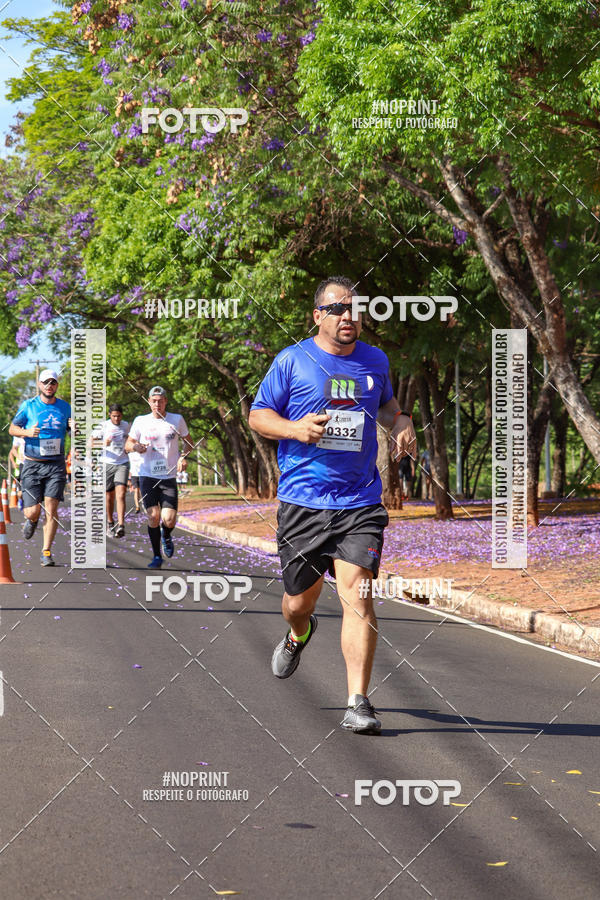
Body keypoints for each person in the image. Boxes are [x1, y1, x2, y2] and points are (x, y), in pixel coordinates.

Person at [249, 275, 416, 734]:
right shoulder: (292, 361)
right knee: (297, 602)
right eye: (339, 309)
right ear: (318, 315)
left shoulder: (375, 360)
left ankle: (358, 701)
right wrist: (294, 429)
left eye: (356, 309)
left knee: (359, 597)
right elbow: (258, 415)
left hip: (359, 500)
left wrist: (400, 420)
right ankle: (299, 633)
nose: (350, 317)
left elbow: (385, 405)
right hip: (303, 501)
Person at [8, 369, 72, 566]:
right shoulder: (29, 406)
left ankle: (46, 551)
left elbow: (71, 430)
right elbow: (12, 428)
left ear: (57, 386)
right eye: (46, 382)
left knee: (52, 509)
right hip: (33, 465)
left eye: (53, 382)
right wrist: (27, 432)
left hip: (56, 465)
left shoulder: (65, 407)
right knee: (32, 511)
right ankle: (32, 520)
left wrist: (75, 428)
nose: (49, 386)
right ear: (39, 384)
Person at [125, 386, 194, 568]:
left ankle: (167, 535)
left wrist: (183, 457)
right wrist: (136, 447)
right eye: (154, 401)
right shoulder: (140, 421)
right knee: (153, 516)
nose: (157, 404)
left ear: (166, 402)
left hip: (169, 477)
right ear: (149, 402)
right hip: (147, 476)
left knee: (169, 519)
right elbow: (128, 444)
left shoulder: (176, 420)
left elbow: (189, 444)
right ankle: (157, 556)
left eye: (161, 401)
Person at [92, 403, 130, 537]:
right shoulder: (103, 426)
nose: (116, 419)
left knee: (121, 494)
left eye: (119, 416)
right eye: (114, 416)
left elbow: (132, 440)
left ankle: (121, 525)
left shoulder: (126, 426)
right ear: (110, 415)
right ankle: (110, 522)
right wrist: (102, 443)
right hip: (106, 463)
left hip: (122, 463)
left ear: (122, 415)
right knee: (109, 497)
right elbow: (90, 443)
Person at [8, 435, 25, 508]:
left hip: (26, 467)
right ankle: (21, 501)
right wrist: (14, 463)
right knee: (20, 492)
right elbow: (11, 453)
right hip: (18, 471)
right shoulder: (18, 445)